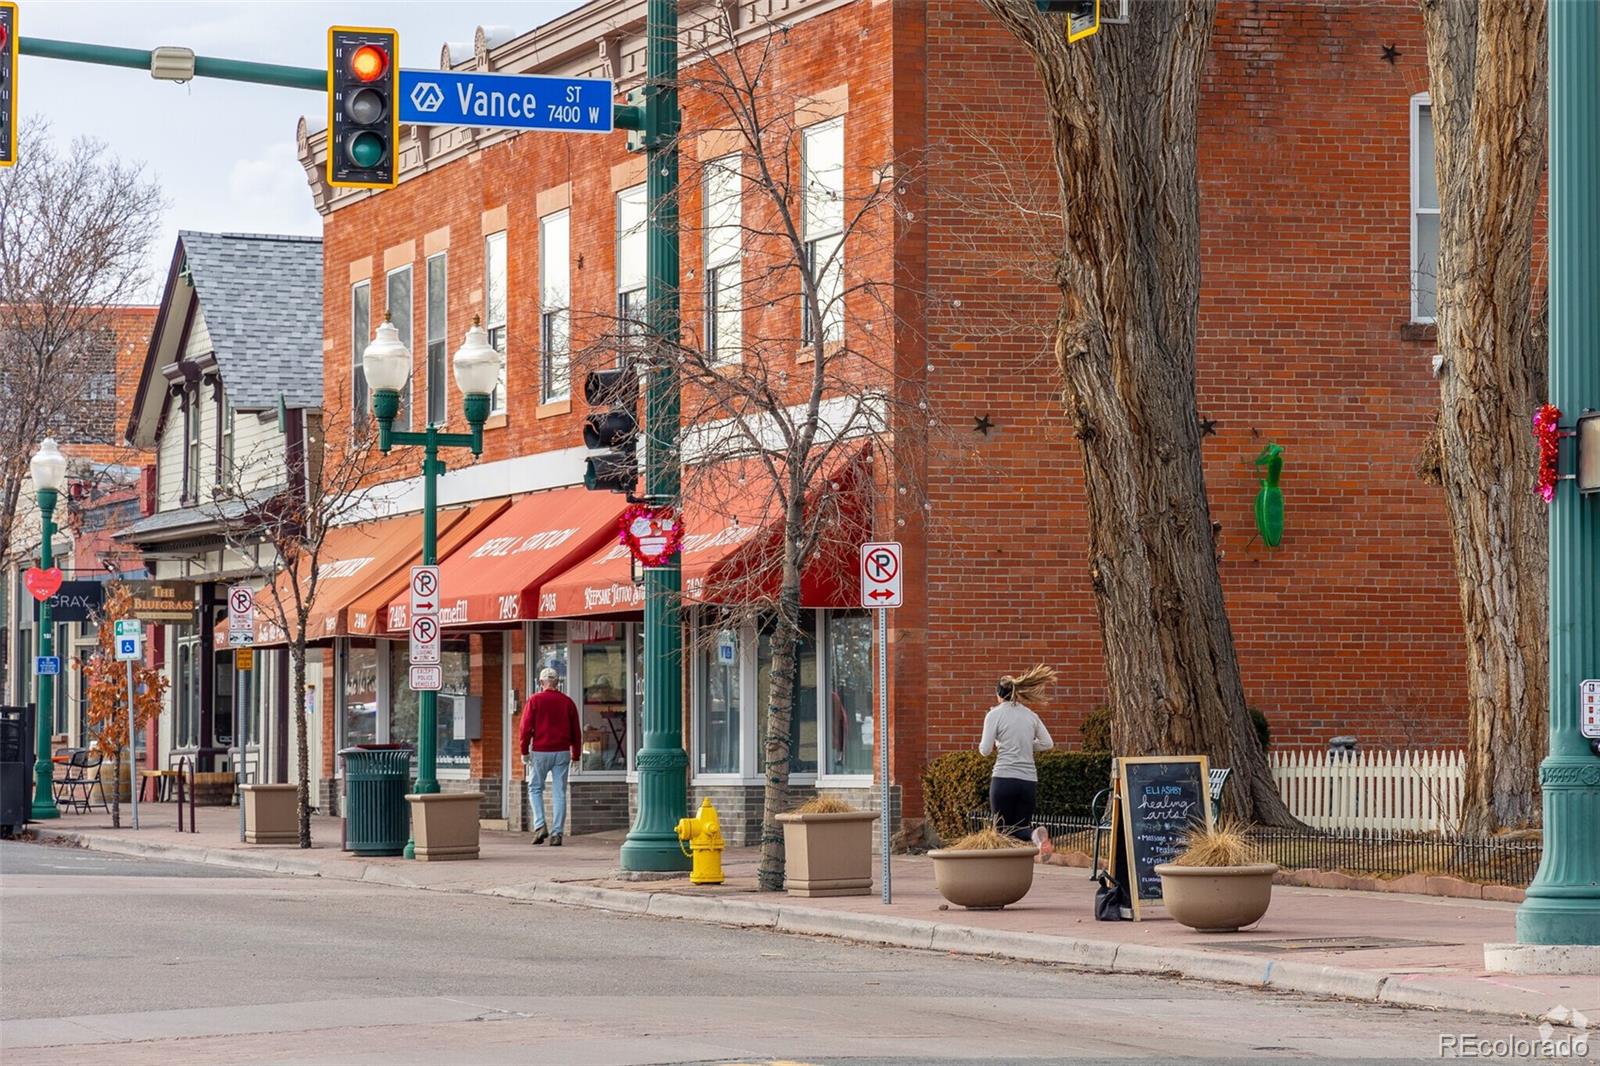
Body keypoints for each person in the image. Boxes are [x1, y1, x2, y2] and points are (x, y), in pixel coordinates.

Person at [978, 664, 1056, 857]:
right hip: (1028, 780)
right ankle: (1034, 833)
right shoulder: (1031, 716)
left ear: (998, 694)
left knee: (1002, 831)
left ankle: (1003, 876)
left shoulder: (994, 715)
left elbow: (985, 750)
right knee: (1020, 830)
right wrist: (1027, 745)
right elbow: (1048, 744)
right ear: (1017, 693)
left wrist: (1000, 741)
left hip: (1004, 777)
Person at [519, 666, 581, 846]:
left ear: (541, 682)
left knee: (535, 788)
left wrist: (524, 751)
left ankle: (539, 825)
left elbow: (525, 729)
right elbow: (576, 731)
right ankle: (557, 834)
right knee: (559, 792)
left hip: (540, 751)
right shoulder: (567, 702)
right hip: (562, 752)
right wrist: (575, 754)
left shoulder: (534, 700)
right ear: (558, 682)